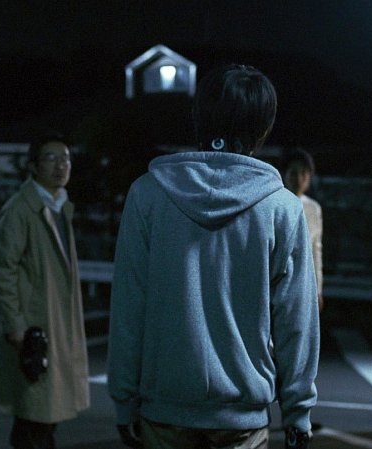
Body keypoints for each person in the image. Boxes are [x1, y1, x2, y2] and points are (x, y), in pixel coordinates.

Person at [107, 64, 319, 449]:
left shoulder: (147, 195)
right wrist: (297, 411)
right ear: (263, 127)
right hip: (243, 415)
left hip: (164, 410)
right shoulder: (282, 208)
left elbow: (128, 306)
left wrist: (124, 400)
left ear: (199, 116)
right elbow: (296, 320)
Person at [0, 133, 90, 449]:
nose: (61, 165)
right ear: (32, 166)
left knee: (43, 417)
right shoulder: (21, 209)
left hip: (52, 326)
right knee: (35, 417)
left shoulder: (58, 206)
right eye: (51, 158)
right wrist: (15, 326)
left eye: (66, 158)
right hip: (33, 331)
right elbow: (2, 268)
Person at [283, 149, 323, 311]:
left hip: (303, 281)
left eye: (304, 173)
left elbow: (316, 249)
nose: (298, 179)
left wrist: (318, 288)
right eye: (293, 173)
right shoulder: (275, 203)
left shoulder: (313, 208)